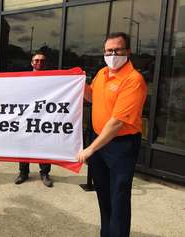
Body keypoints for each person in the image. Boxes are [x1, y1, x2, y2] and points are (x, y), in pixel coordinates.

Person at [77, 32, 147, 237]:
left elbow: (116, 124)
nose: (113, 54)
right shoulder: (102, 73)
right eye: (109, 50)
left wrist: (89, 148)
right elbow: (92, 97)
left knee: (119, 197)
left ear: (128, 52)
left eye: (117, 50)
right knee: (103, 195)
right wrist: (80, 83)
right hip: (100, 142)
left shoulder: (134, 80)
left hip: (121, 146)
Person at [14, 51, 53, 187]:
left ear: (46, 63)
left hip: (44, 117)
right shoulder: (24, 78)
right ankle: (23, 172)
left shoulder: (54, 79)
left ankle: (44, 173)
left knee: (44, 145)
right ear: (31, 63)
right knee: (24, 145)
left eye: (42, 61)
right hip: (26, 117)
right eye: (36, 60)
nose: (39, 63)